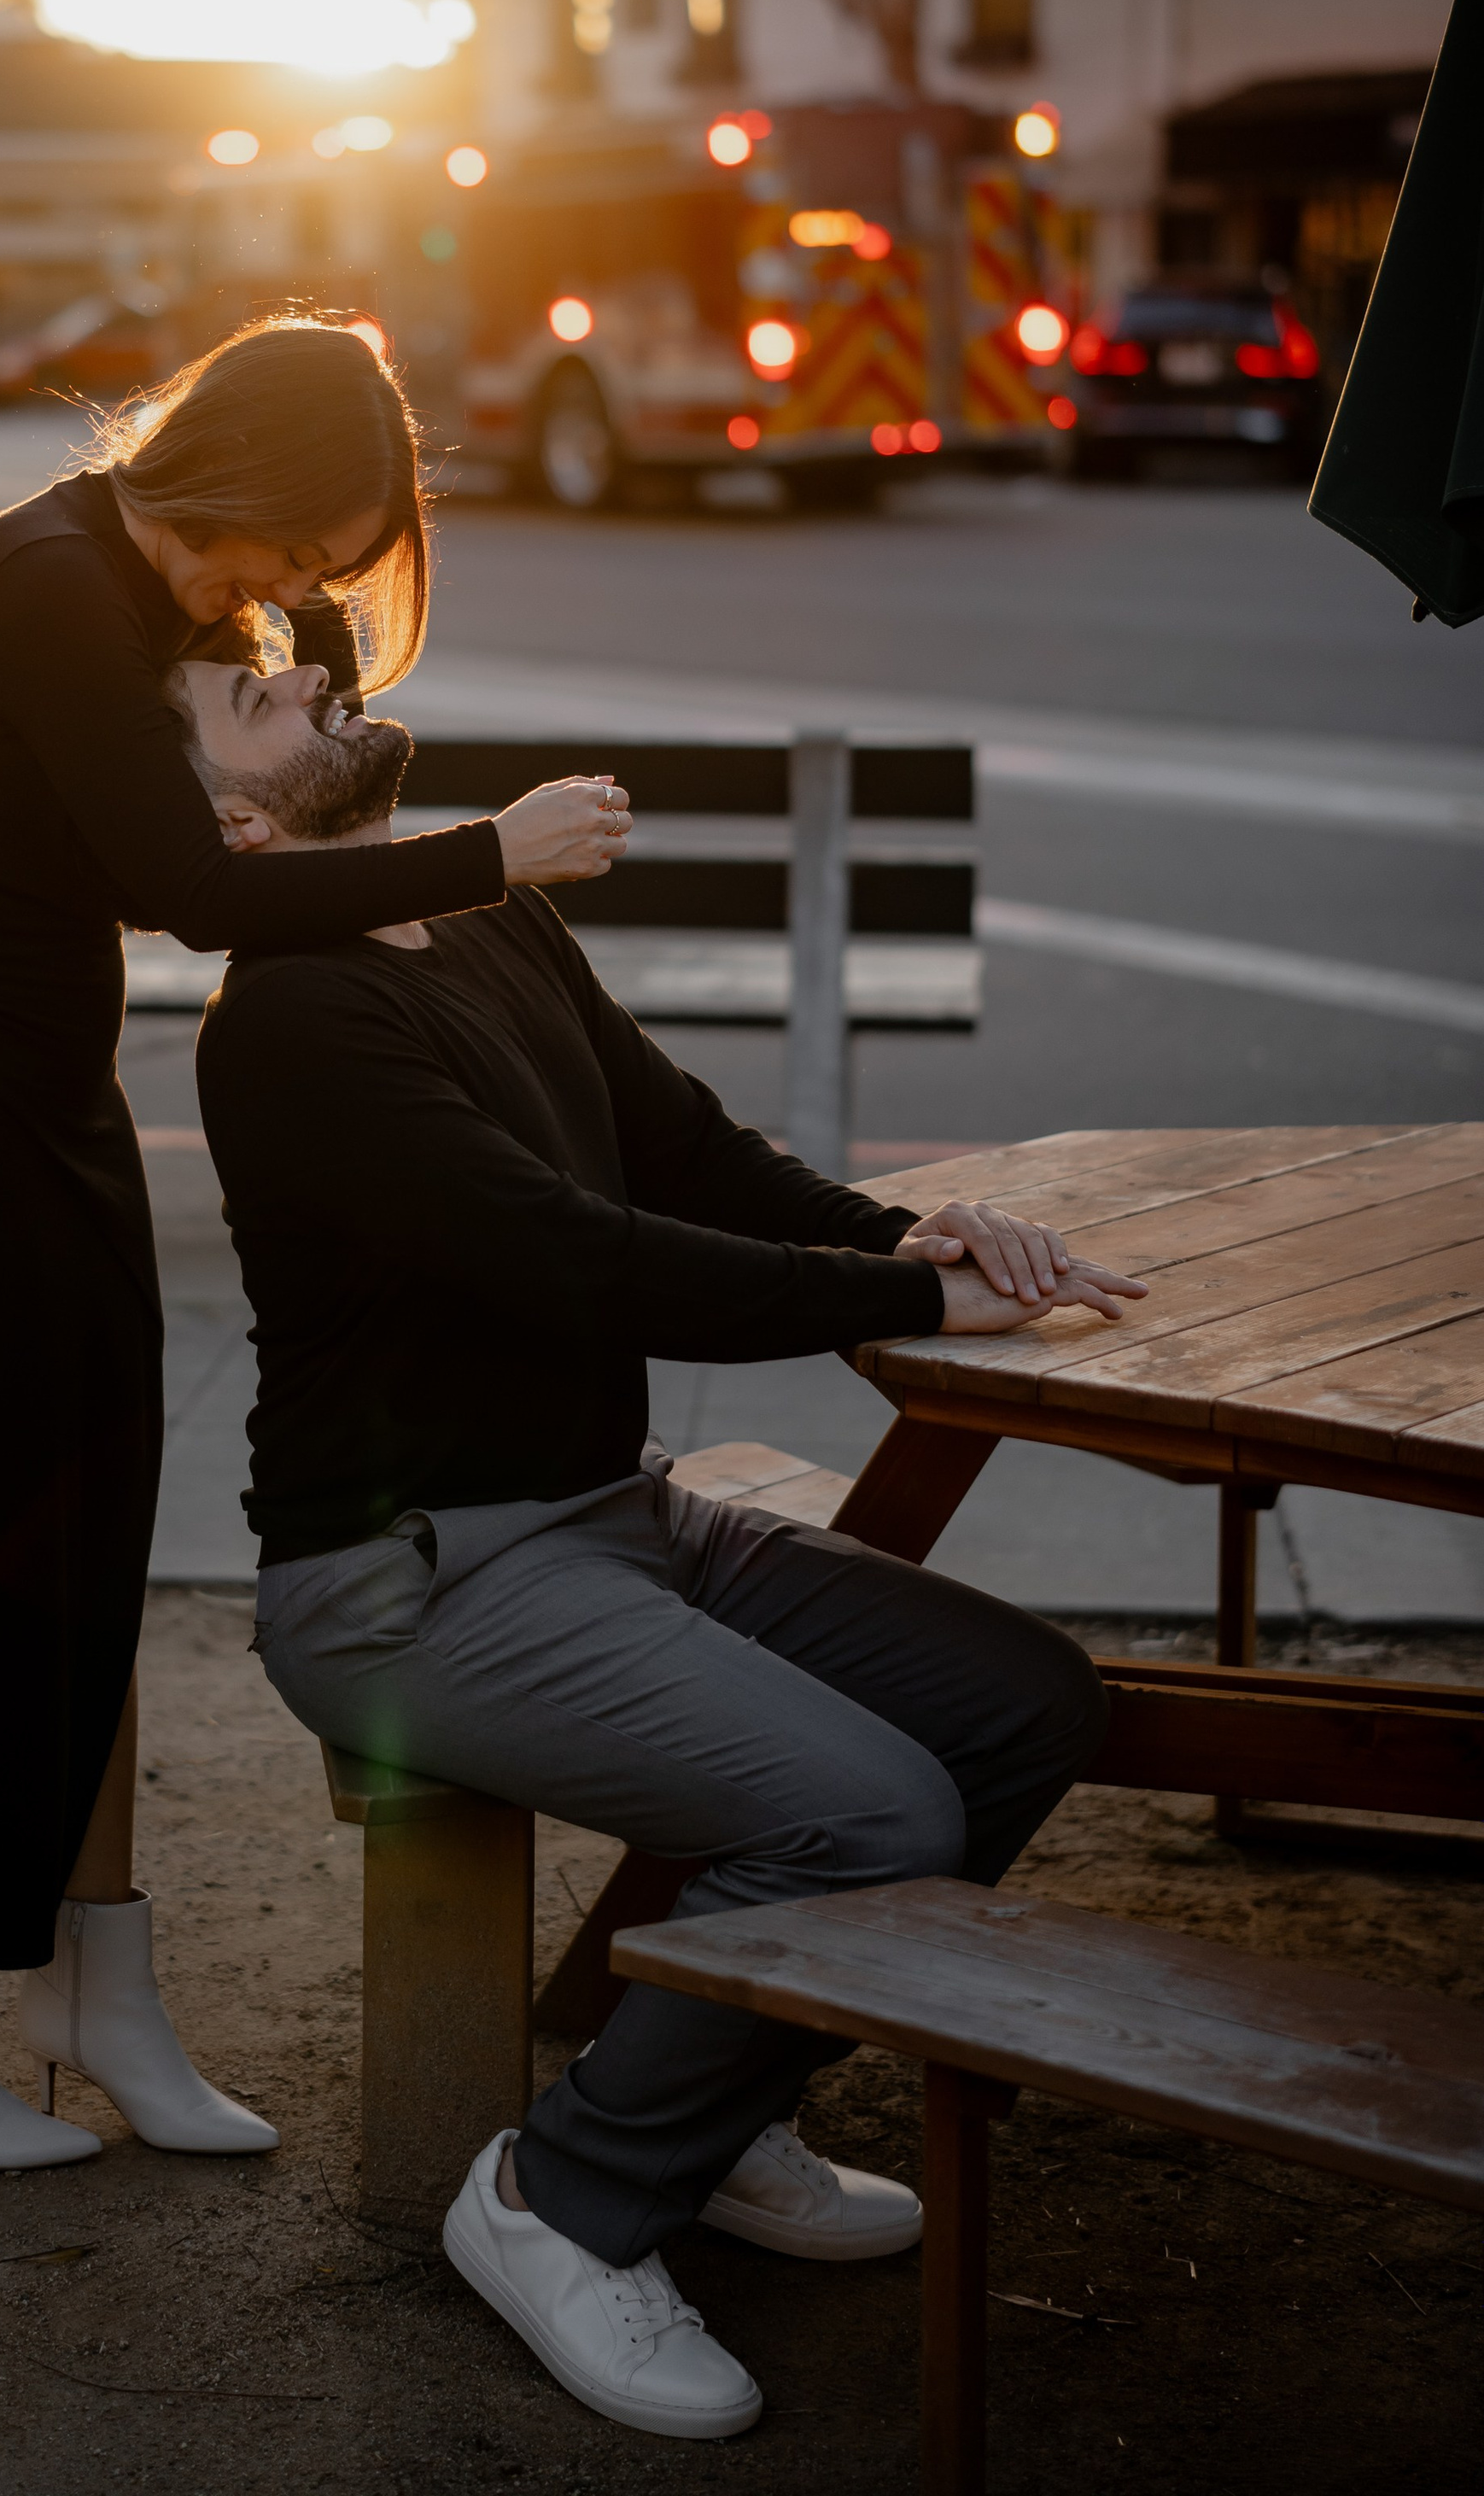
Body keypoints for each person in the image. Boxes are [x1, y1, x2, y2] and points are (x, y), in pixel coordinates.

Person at [172, 654, 1147, 2443]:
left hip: (606, 1512)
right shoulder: (288, 1022)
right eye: (250, 688)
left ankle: (706, 2107)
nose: (309, 662)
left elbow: (672, 1142)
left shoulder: (479, 923)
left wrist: (911, 1231)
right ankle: (563, 2194)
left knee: (1020, 1702)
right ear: (238, 826)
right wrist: (892, 1296)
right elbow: (577, 1252)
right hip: (413, 1580)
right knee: (868, 1814)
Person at [0, 319, 633, 2178]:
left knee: (79, 1535)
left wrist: (294, 629)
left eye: (317, 570)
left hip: (35, 1106)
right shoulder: (50, 587)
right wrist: (488, 851)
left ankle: (94, 1984)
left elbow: (253, 734)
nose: (288, 595)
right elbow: (201, 889)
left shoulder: (133, 583)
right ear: (224, 473)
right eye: (289, 546)